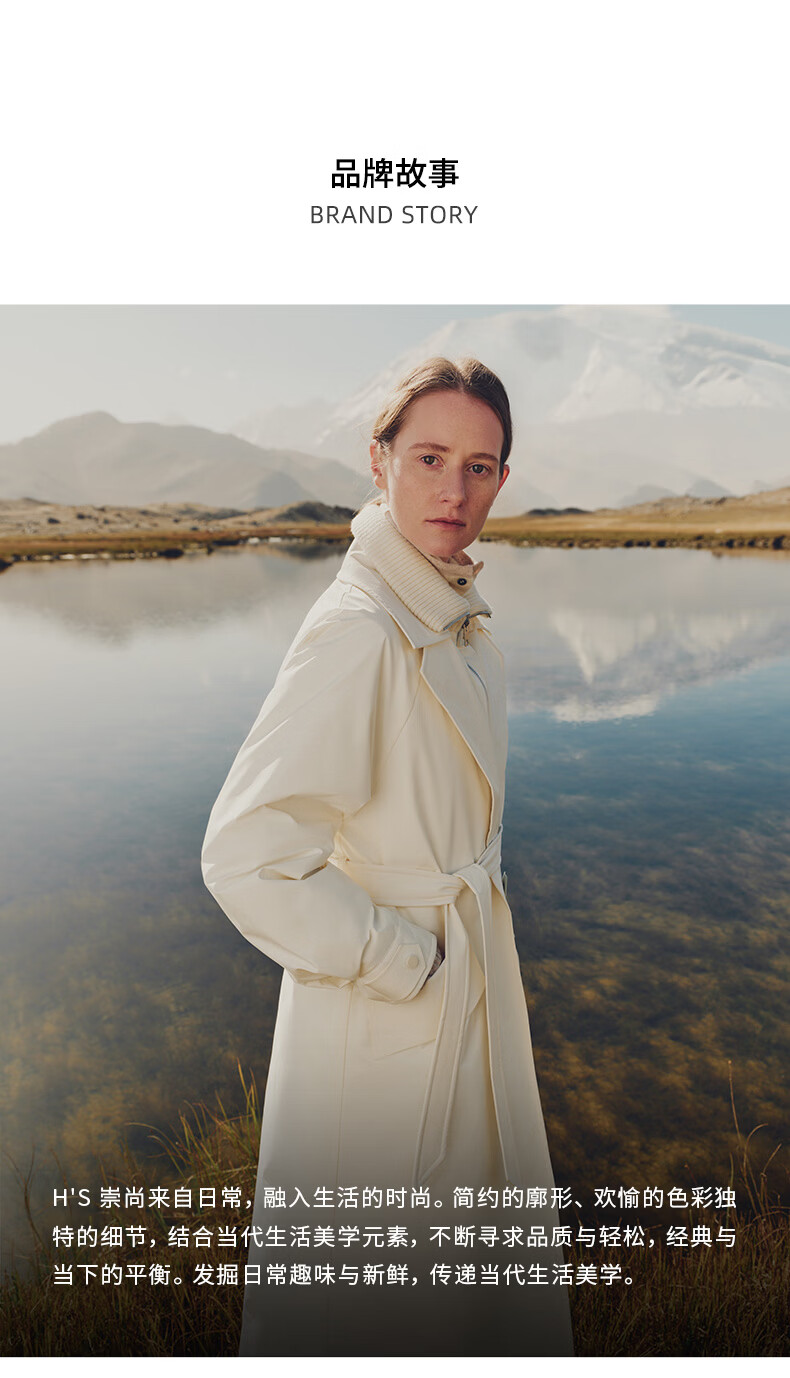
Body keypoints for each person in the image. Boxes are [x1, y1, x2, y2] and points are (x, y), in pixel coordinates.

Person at [201, 356, 575, 1357]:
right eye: (429, 458)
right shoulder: (359, 629)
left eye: (480, 467)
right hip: (388, 1008)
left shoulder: (458, 624)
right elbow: (245, 853)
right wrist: (403, 959)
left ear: (503, 478)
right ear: (378, 462)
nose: (455, 491)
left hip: (458, 979)